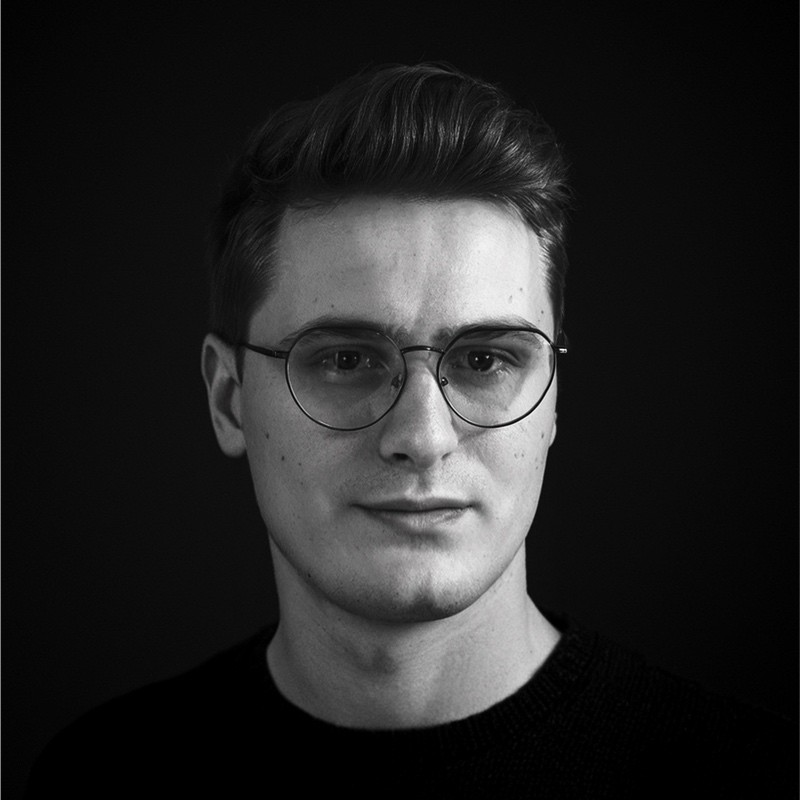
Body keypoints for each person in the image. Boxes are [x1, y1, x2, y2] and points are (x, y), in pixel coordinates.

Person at [26, 63, 796, 798]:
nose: (423, 438)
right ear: (229, 400)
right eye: (347, 360)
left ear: (553, 397)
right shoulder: (99, 777)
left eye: (486, 360)